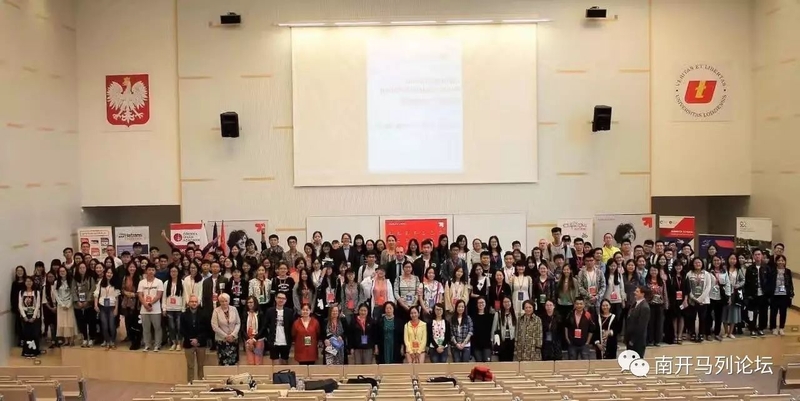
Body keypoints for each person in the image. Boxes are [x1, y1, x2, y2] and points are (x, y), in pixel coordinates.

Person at [181, 295, 209, 382]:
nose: (194, 303)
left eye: (195, 302)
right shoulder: (183, 315)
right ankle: (190, 383)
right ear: (188, 303)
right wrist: (191, 340)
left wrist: (198, 340)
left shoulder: (204, 314)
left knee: (201, 365)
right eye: (192, 301)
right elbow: (182, 329)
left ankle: (200, 383)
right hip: (188, 343)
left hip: (201, 343)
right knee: (190, 366)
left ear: (198, 303)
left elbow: (207, 329)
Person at [138, 263, 165, 352]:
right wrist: (145, 305)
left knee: (157, 327)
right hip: (144, 309)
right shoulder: (142, 282)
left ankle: (157, 344)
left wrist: (150, 304)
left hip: (155, 309)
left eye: (153, 270)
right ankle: (147, 344)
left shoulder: (159, 282)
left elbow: (159, 295)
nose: (151, 272)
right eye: (149, 270)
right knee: (146, 328)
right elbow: (140, 295)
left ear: (155, 271)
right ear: (146, 271)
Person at [684, 258, 712, 342]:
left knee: (702, 318)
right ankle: (692, 333)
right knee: (691, 318)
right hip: (692, 300)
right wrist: (692, 297)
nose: (697, 264)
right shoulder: (689, 274)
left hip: (703, 300)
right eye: (695, 263)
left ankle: (701, 334)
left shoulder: (706, 274)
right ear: (693, 264)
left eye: (699, 262)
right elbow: (687, 287)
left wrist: (700, 298)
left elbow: (708, 287)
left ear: (702, 264)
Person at [744, 249, 771, 336]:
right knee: (753, 312)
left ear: (762, 256)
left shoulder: (766, 268)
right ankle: (752, 328)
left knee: (763, 312)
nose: (757, 256)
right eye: (755, 254)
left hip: (763, 294)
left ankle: (761, 328)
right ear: (753, 256)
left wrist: (768, 294)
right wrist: (748, 295)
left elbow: (769, 281)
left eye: (759, 254)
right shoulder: (750, 268)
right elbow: (747, 283)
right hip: (753, 294)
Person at [265, 292, 296, 365]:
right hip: (274, 342)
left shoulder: (289, 312)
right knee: (275, 364)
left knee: (284, 363)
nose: (281, 300)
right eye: (279, 298)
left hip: (285, 342)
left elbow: (292, 326)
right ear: (275, 298)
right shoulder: (270, 311)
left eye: (283, 298)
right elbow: (265, 325)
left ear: (286, 300)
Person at [211, 293, 240, 365]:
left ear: (229, 301)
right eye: (222, 301)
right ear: (219, 302)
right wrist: (226, 336)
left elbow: (238, 323)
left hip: (233, 340)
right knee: (223, 364)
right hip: (222, 341)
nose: (224, 303)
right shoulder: (216, 311)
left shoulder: (234, 309)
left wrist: (233, 335)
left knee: (234, 363)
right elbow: (214, 326)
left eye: (226, 301)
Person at [72, 263, 97, 347]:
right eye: (80, 268)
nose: (82, 269)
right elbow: (73, 291)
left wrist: (87, 301)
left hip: (88, 304)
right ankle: (85, 338)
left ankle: (91, 338)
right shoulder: (74, 280)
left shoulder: (90, 279)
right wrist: (77, 301)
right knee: (81, 322)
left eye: (84, 268)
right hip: (78, 305)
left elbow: (92, 290)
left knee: (90, 322)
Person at [94, 267, 119, 349]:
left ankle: (112, 341)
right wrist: (96, 305)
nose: (109, 274)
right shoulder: (101, 282)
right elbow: (96, 294)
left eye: (111, 273)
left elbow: (117, 297)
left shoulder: (115, 283)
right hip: (102, 306)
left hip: (112, 306)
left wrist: (116, 309)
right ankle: (107, 341)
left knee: (112, 325)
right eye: (108, 272)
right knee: (104, 325)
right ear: (105, 273)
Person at [706, 255, 730, 341]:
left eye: (718, 260)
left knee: (718, 316)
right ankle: (708, 333)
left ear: (721, 261)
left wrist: (728, 296)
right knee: (708, 316)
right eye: (715, 260)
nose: (716, 262)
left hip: (720, 297)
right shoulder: (708, 271)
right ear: (712, 262)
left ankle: (717, 333)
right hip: (710, 296)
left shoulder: (724, 271)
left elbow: (727, 283)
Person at [768, 255, 793, 336]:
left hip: (784, 295)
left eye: (782, 260)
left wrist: (791, 292)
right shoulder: (773, 270)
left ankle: (781, 328)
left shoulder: (788, 271)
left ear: (785, 262)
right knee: (773, 312)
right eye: (779, 260)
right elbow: (770, 282)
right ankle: (773, 328)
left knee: (783, 312)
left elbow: (790, 283)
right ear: (776, 262)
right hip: (774, 294)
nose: (781, 262)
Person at [163, 265, 185, 351]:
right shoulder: (166, 283)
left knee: (179, 327)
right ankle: (173, 343)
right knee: (171, 327)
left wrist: (183, 308)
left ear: (178, 272)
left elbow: (184, 296)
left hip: (179, 309)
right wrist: (164, 308)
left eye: (175, 271)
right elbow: (164, 297)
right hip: (169, 309)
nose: (173, 273)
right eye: (172, 271)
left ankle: (179, 343)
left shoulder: (182, 282)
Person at [723, 254, 745, 338]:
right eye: (731, 258)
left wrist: (738, 285)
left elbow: (743, 280)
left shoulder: (738, 270)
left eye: (734, 259)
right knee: (725, 311)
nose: (732, 260)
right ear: (728, 259)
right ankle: (725, 331)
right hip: (725, 293)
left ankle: (731, 332)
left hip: (735, 293)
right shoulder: (724, 269)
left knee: (733, 312)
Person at [645, 265, 668, 346]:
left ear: (658, 271)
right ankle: (650, 340)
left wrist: (666, 304)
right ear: (649, 271)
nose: (653, 272)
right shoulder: (646, 281)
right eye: (652, 270)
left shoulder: (661, 281)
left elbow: (665, 293)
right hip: (650, 304)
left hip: (660, 305)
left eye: (655, 270)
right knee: (650, 323)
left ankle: (657, 340)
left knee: (659, 323)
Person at [19, 276, 41, 358]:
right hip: (25, 315)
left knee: (34, 334)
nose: (29, 283)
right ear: (25, 283)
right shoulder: (21, 292)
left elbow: (38, 305)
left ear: (33, 282)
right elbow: (20, 305)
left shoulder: (36, 292)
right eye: (27, 281)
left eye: (30, 281)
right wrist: (24, 316)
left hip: (34, 315)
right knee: (26, 334)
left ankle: (35, 352)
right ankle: (27, 352)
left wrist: (34, 317)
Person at [625, 286, 650, 357]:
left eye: (637, 291)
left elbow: (641, 327)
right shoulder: (635, 303)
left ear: (643, 294)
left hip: (637, 342)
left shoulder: (645, 307)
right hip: (630, 338)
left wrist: (633, 340)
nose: (634, 293)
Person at [54, 266, 76, 347]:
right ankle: (66, 340)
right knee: (62, 323)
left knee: (70, 322)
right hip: (61, 306)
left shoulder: (71, 281)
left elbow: (73, 293)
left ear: (66, 272)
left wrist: (69, 304)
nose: (62, 273)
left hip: (69, 304)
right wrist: (62, 304)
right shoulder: (57, 282)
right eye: (60, 271)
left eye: (63, 271)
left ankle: (71, 340)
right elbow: (56, 294)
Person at [242, 296, 267, 365]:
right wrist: (248, 339)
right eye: (248, 302)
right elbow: (242, 328)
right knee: (250, 360)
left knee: (258, 359)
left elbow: (263, 327)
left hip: (258, 340)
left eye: (251, 302)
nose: (250, 304)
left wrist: (254, 339)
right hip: (248, 340)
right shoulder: (244, 313)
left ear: (255, 303)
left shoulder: (260, 313)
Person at [491, 297, 517, 361]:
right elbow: (494, 328)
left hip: (512, 340)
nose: (507, 303)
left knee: (511, 359)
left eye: (508, 302)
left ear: (511, 303)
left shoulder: (515, 314)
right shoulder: (498, 314)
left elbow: (517, 328)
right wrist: (492, 340)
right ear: (502, 303)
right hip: (502, 341)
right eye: (505, 302)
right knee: (502, 360)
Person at [471, 297, 494, 362]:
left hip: (487, 345)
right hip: (476, 345)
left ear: (485, 304)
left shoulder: (490, 317)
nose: (480, 304)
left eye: (482, 302)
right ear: (476, 304)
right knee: (479, 365)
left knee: (487, 364)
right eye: (479, 303)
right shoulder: (472, 317)